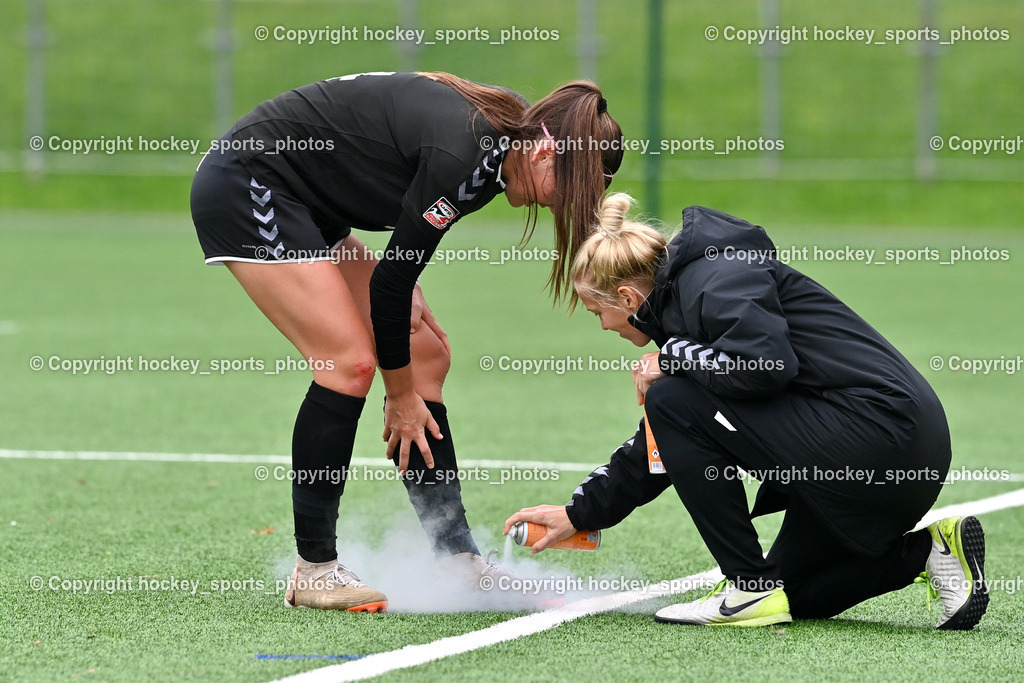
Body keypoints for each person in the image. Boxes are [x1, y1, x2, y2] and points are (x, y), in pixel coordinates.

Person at [190, 71, 622, 611]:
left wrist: (399, 283)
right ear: (544, 154)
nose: (559, 208)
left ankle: (458, 562)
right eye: (569, 190)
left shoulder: (510, 136)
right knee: (347, 365)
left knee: (423, 352)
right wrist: (399, 399)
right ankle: (314, 569)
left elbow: (396, 269)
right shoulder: (470, 154)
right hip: (251, 184)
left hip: (311, 201)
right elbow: (389, 289)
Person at [505, 193, 988, 630]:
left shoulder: (715, 277)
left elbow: (765, 367)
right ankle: (927, 552)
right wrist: (580, 513)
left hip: (881, 437)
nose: (602, 326)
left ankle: (746, 588)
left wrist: (672, 358)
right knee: (792, 596)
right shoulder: (687, 301)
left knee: (670, 399)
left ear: (629, 299)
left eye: (598, 314)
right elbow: (665, 440)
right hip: (883, 453)